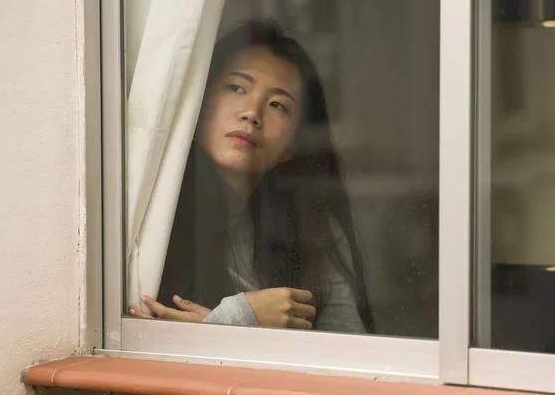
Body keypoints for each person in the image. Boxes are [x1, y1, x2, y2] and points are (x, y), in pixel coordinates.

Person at [129, 20, 374, 334]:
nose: (252, 113)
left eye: (277, 104)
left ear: (290, 147)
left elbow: (349, 350)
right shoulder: (150, 214)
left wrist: (220, 327)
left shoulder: (313, 227)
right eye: (236, 87)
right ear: (199, 106)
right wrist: (241, 317)